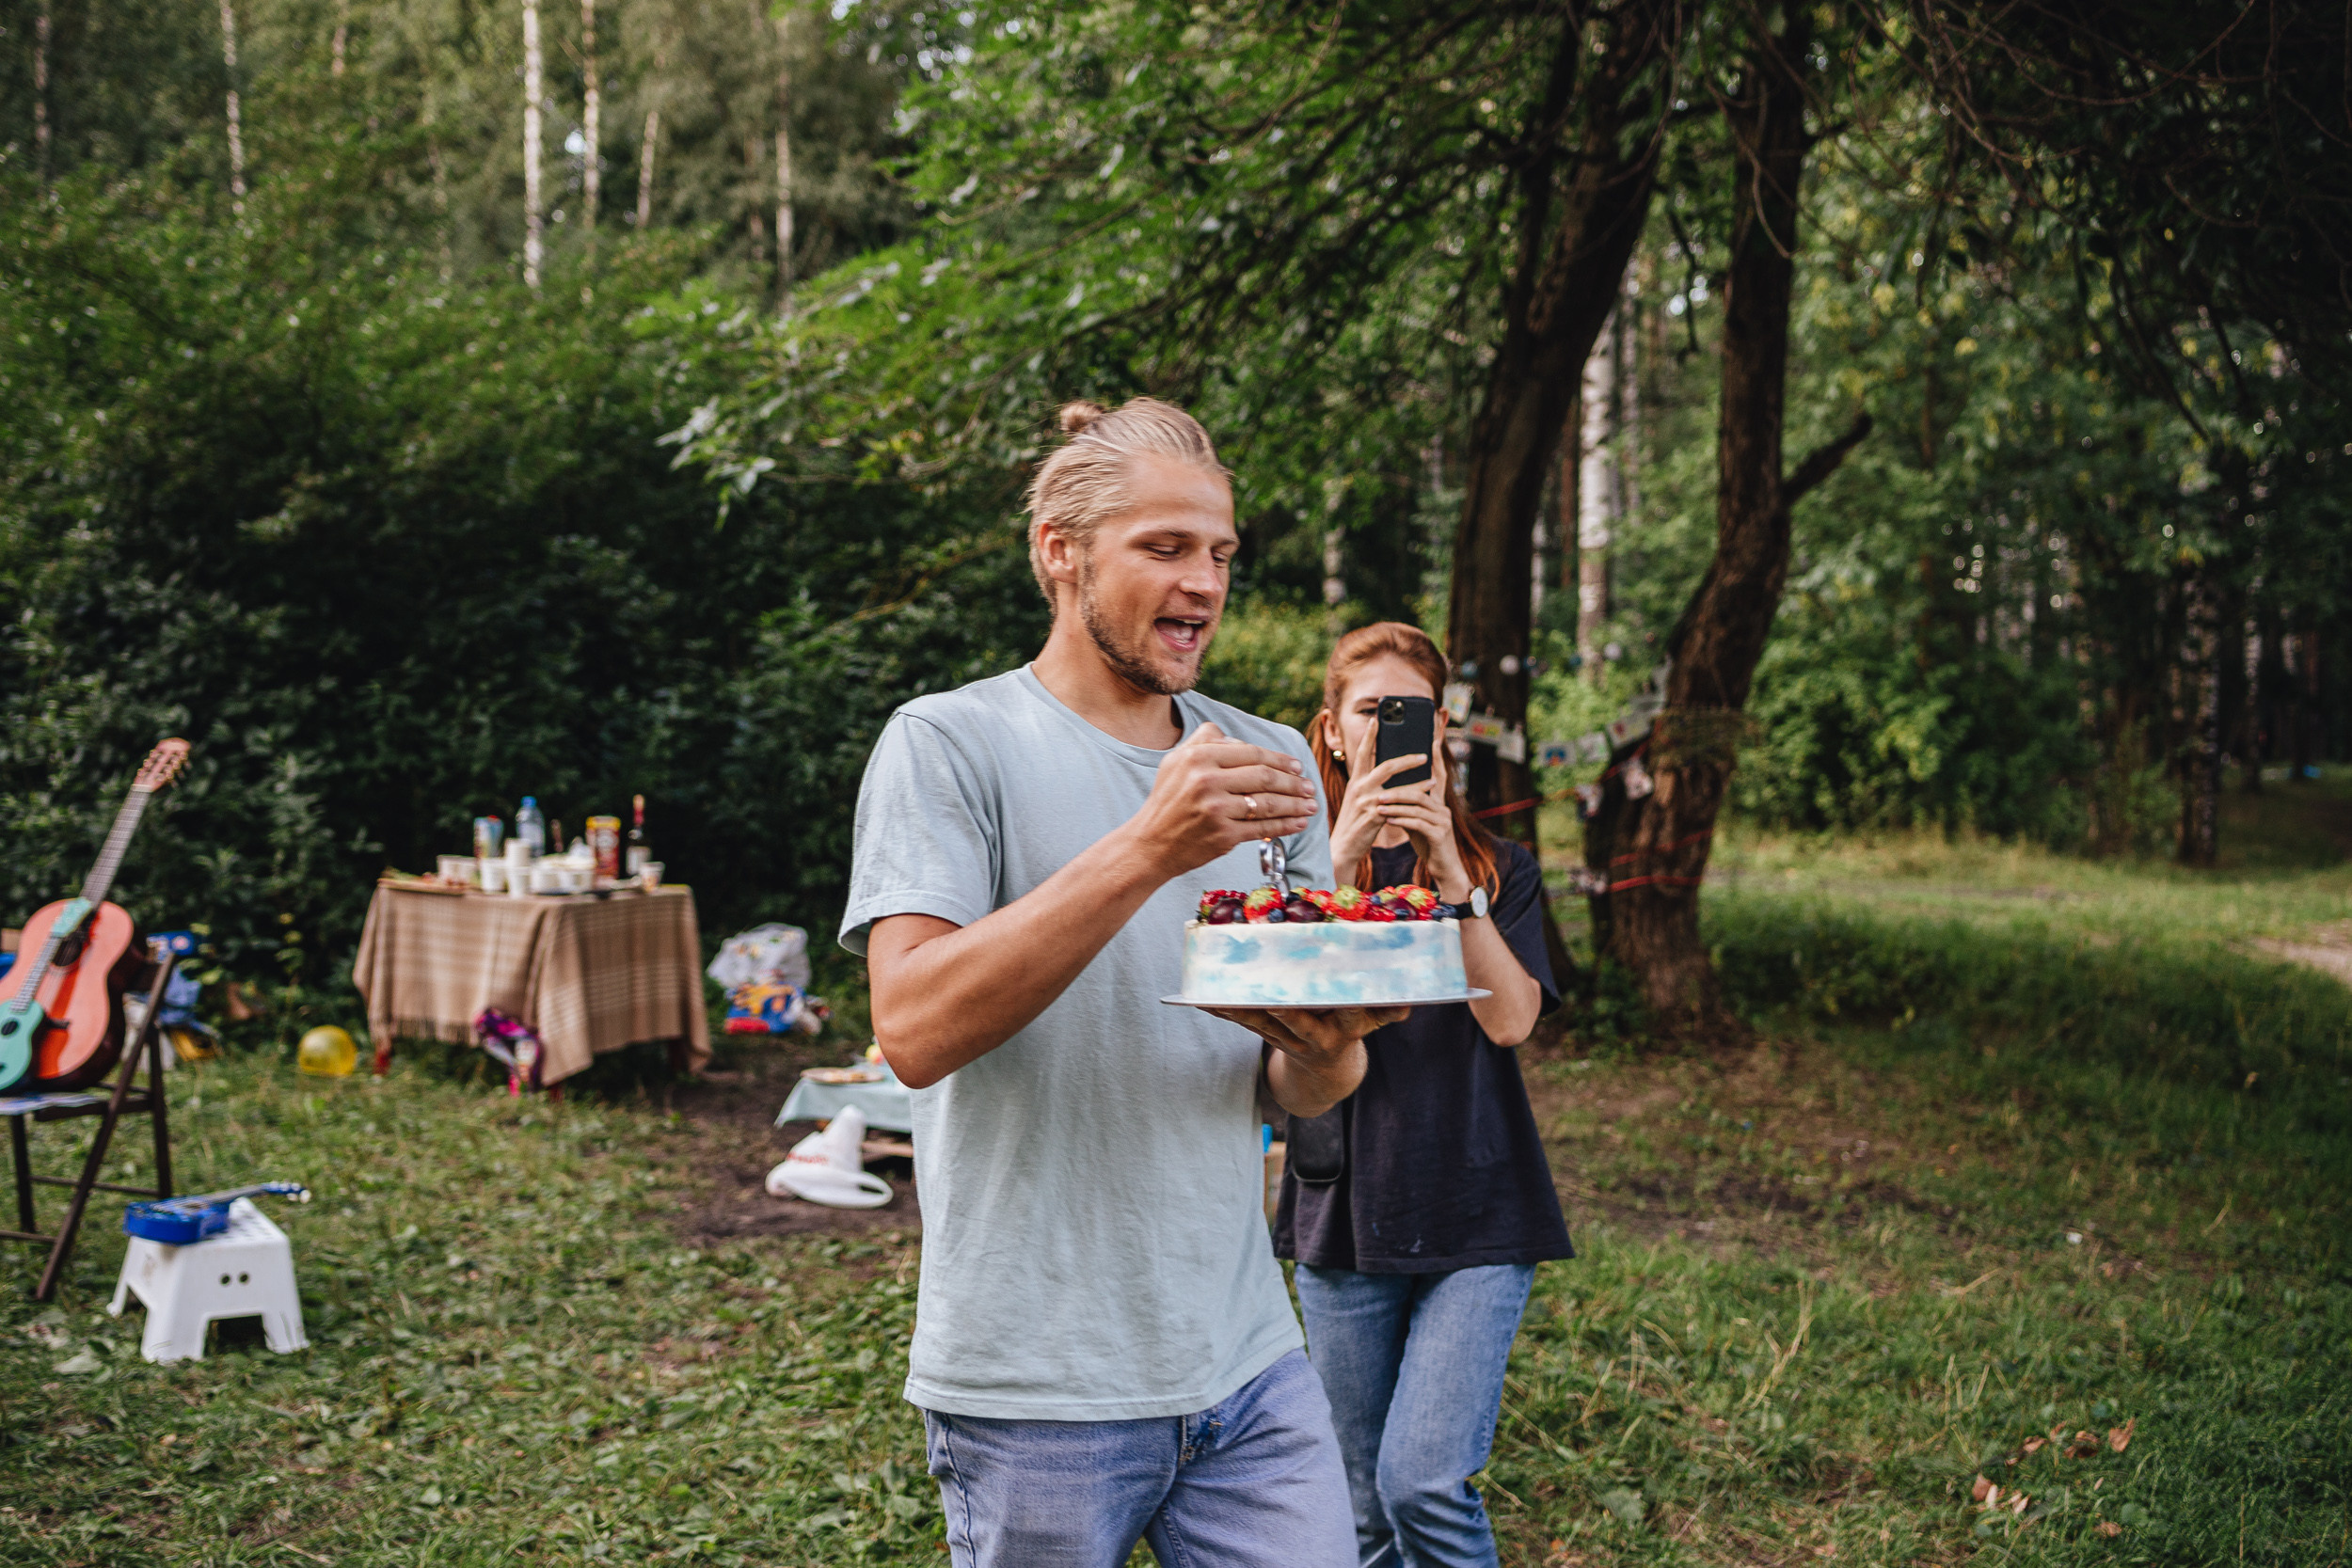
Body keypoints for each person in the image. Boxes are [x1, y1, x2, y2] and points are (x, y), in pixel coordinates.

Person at [842, 397, 1406, 1568]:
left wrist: (1334, 1038)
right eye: (1164, 546)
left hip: (1245, 1354)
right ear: (1061, 551)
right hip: (1037, 1381)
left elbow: (1289, 1085)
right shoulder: (949, 742)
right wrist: (1148, 845)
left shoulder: (1271, 759)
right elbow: (911, 1028)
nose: (1203, 582)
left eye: (1220, 553)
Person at [1274, 622, 1573, 1568]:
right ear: (1331, 730)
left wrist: (1450, 876)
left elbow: (1511, 1021)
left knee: (1424, 1483)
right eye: (1369, 709)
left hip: (1479, 1201)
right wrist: (1339, 858)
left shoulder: (1499, 868)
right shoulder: (1288, 865)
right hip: (1343, 1203)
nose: (1388, 728)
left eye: (1411, 712)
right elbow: (1279, 1006)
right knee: (1360, 1503)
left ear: (1441, 728)